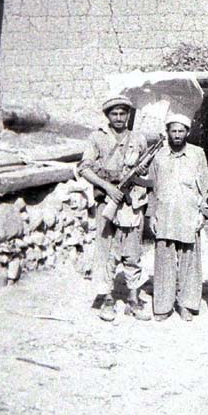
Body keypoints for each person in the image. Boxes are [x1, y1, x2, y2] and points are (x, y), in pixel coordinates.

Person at [78, 95, 151, 322]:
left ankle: (133, 299)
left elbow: (147, 174)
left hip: (131, 203)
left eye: (123, 114)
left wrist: (140, 175)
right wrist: (107, 188)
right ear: (107, 116)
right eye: (114, 114)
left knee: (133, 252)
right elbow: (84, 169)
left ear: (129, 115)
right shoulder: (96, 138)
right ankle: (107, 299)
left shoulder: (138, 138)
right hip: (107, 203)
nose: (119, 118)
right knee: (106, 252)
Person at [147, 113, 208, 322]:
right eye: (173, 131)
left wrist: (203, 213)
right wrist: (151, 215)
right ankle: (163, 305)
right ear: (167, 133)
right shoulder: (159, 156)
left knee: (189, 261)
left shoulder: (198, 154)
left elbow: (206, 188)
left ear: (188, 132)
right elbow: (152, 188)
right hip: (164, 215)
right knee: (164, 260)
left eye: (181, 131)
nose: (177, 135)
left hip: (189, 214)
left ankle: (186, 304)